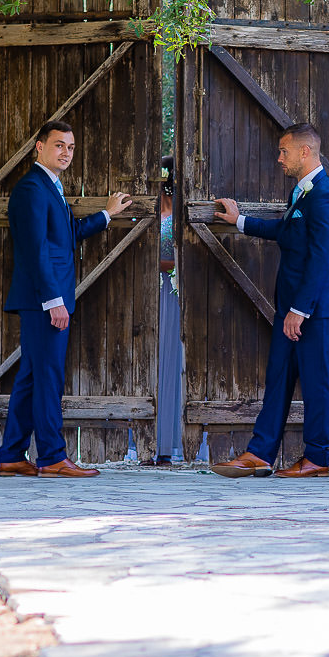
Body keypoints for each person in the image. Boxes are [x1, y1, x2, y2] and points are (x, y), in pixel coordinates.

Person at [209, 123, 329, 479]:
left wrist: (299, 310)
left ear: (305, 152)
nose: (279, 158)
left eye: (284, 151)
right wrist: (239, 220)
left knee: (316, 381)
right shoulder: (301, 195)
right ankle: (260, 453)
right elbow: (285, 231)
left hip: (314, 310)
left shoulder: (327, 196)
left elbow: (321, 258)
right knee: (279, 377)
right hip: (293, 308)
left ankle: (317, 458)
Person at [0, 120, 131, 479]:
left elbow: (67, 235)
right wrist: (53, 300)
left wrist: (106, 214)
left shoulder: (52, 187)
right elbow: (35, 249)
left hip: (48, 298)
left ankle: (10, 454)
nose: (66, 153)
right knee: (48, 377)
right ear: (38, 147)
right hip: (44, 300)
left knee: (31, 377)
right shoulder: (31, 189)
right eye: (59, 145)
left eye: (70, 147)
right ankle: (53, 456)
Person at [149, 155, 183, 465]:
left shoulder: (184, 207)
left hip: (177, 290)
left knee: (177, 366)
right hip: (156, 290)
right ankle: (154, 443)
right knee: (154, 363)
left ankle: (174, 444)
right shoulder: (151, 207)